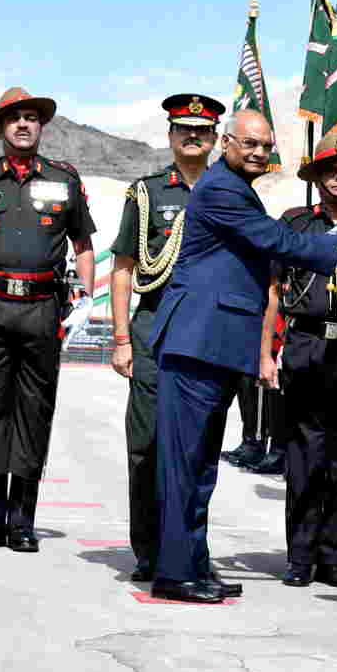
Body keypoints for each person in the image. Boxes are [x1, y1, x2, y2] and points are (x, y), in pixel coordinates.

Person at [147, 110, 337, 603]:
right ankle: (174, 571)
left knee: (201, 466)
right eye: (250, 143)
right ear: (226, 143)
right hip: (197, 340)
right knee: (184, 463)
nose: (261, 152)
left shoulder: (236, 189)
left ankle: (193, 564)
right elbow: (276, 240)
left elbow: (276, 240)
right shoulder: (223, 189)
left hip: (213, 344)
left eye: (267, 145)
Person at [0, 87, 96, 554]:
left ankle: (22, 519)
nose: (24, 125)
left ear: (41, 127)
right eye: (14, 118)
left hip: (42, 309)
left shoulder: (64, 179)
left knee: (34, 410)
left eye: (32, 118)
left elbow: (84, 245)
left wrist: (87, 299)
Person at [262, 133, 337, 589]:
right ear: (315, 178)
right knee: (303, 457)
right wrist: (265, 354)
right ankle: (300, 556)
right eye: (330, 170)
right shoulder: (295, 224)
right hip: (306, 347)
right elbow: (273, 292)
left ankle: (334, 558)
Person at [109, 93, 223, 582]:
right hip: (155, 327)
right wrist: (120, 338)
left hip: (209, 330)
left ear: (216, 137)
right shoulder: (147, 193)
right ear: (171, 136)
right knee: (149, 443)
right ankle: (150, 549)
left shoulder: (229, 192)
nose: (192, 136)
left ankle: (191, 550)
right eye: (184, 129)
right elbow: (123, 269)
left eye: (202, 130)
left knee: (200, 448)